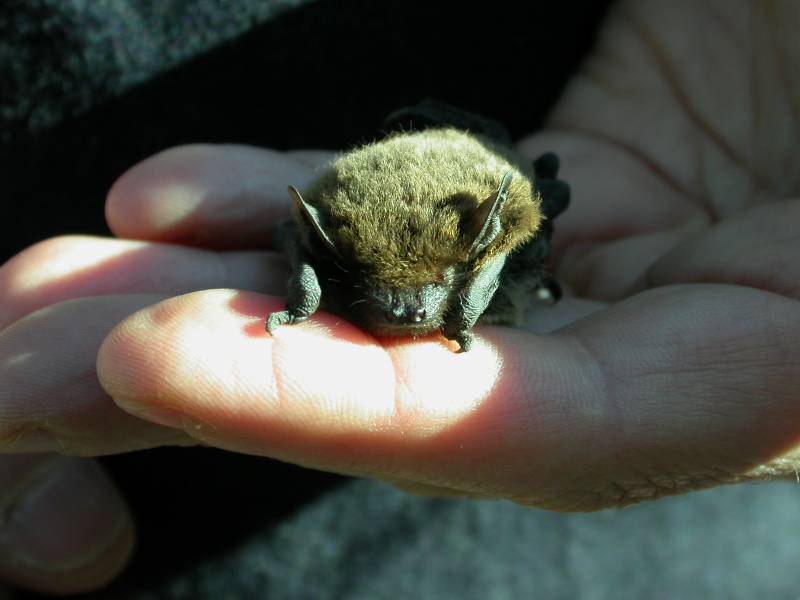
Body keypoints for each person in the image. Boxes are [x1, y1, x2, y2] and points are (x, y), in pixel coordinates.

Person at [1, 0, 798, 594]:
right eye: (396, 296)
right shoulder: (328, 231)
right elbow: (304, 239)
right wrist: (305, 305)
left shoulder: (502, 218)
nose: (412, 313)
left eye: (431, 298)